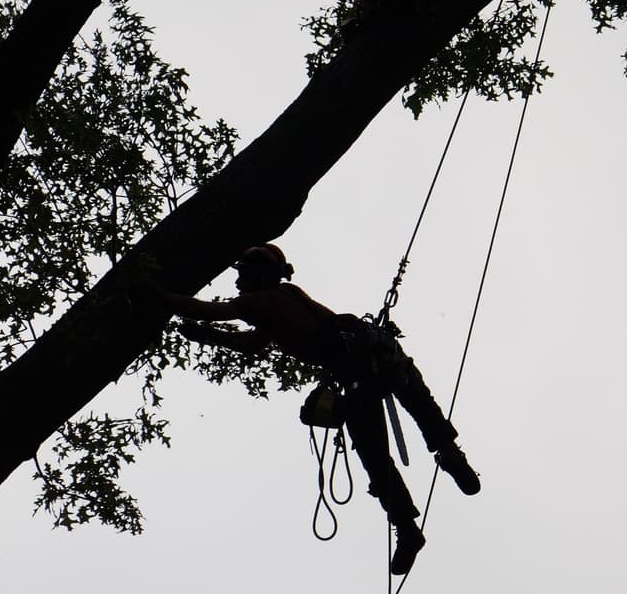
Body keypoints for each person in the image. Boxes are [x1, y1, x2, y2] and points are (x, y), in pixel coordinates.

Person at [155, 243, 480, 575]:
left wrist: (156, 294)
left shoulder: (258, 301)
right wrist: (207, 338)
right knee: (419, 406)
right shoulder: (286, 298)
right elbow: (251, 344)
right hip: (381, 357)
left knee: (375, 459)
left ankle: (407, 527)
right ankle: (449, 452)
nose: (237, 283)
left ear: (258, 276)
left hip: (358, 378)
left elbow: (201, 309)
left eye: (242, 275)